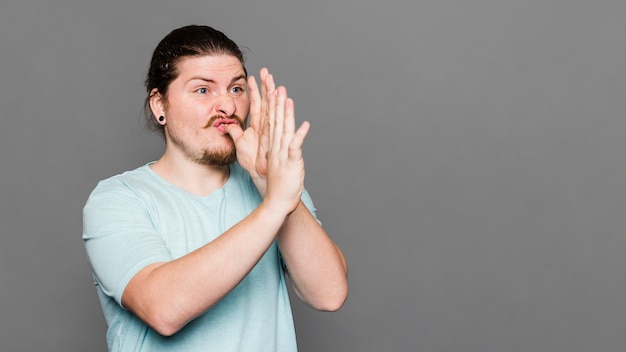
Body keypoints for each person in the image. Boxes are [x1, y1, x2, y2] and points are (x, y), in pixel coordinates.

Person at [82, 25, 348, 351]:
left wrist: (268, 184)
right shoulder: (117, 200)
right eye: (203, 91)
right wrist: (275, 205)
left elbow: (329, 293)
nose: (227, 107)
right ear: (159, 105)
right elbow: (164, 308)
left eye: (236, 89)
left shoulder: (273, 187)